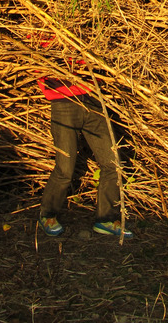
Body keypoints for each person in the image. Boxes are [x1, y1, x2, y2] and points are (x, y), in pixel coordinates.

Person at [35, 34, 132, 238]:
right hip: (62, 102)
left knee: (112, 163)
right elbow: (39, 55)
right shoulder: (43, 28)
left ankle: (106, 219)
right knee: (65, 167)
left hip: (92, 98)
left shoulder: (87, 27)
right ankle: (48, 214)